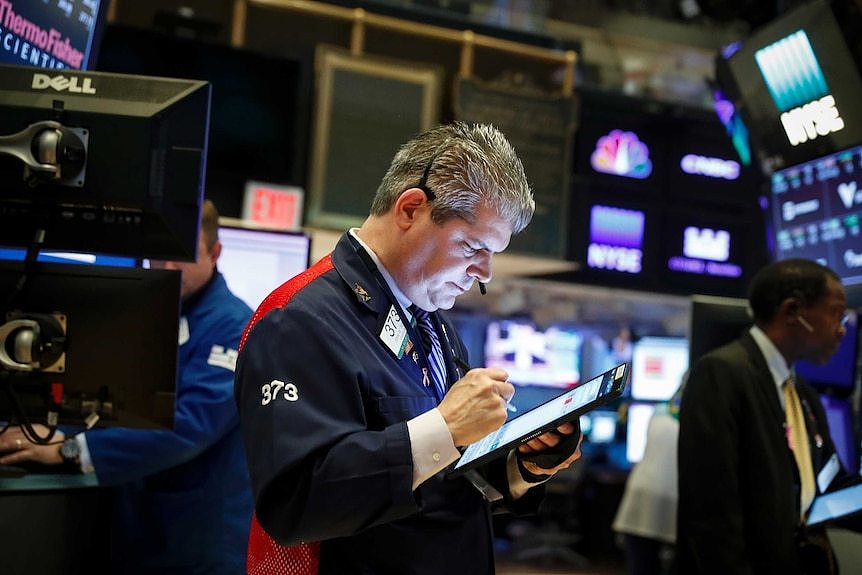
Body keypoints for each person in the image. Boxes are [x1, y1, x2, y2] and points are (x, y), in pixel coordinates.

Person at [235, 122, 584, 574]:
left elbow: (440, 483)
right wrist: (444, 426)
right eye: (473, 246)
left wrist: (520, 466)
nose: (486, 272)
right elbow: (295, 503)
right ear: (411, 209)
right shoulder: (299, 319)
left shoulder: (429, 322)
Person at [0, 199, 254, 574]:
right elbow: (106, 398)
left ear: (215, 253)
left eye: (181, 256)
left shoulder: (234, 327)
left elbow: (190, 425)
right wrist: (48, 432)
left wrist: (70, 449)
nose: (166, 268)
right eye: (158, 255)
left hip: (197, 540)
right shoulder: (142, 312)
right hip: (137, 530)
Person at [677, 258, 859, 574]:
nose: (842, 329)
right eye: (835, 314)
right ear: (793, 311)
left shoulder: (802, 392)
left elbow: (830, 484)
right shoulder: (721, 373)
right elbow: (712, 513)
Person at [613, 374, 686, 575]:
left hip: (641, 494)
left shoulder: (659, 412)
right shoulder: (702, 423)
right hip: (672, 500)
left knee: (641, 566)